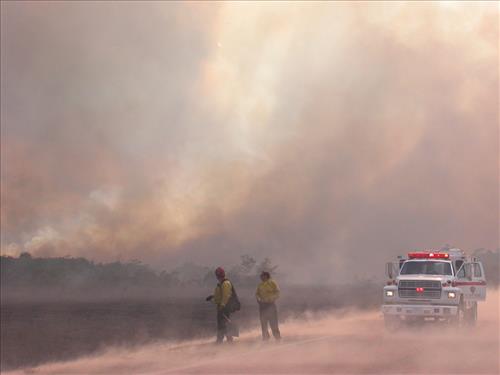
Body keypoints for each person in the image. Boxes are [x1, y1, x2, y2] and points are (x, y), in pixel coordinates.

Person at [206, 267, 234, 344]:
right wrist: (212, 297)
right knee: (222, 324)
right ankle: (224, 339)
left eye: (218, 274)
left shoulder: (225, 283)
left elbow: (226, 295)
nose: (218, 276)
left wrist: (222, 305)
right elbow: (220, 295)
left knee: (223, 323)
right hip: (221, 306)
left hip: (224, 307)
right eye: (217, 274)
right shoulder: (221, 283)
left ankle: (223, 340)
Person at [256, 271, 281, 341]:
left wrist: (272, 299)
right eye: (261, 276)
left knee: (273, 322)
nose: (261, 277)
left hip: (270, 305)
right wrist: (258, 299)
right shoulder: (260, 285)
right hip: (262, 305)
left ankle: (277, 338)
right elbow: (257, 293)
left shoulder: (272, 283)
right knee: (263, 323)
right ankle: (265, 337)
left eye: (262, 276)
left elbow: (278, 292)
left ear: (266, 276)